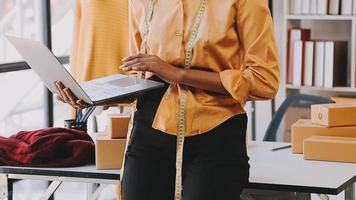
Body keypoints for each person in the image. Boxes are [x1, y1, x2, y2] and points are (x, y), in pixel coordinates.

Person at [55, 0, 279, 199]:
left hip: (215, 136)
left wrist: (179, 74)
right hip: (148, 132)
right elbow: (139, 74)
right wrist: (97, 96)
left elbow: (264, 80)